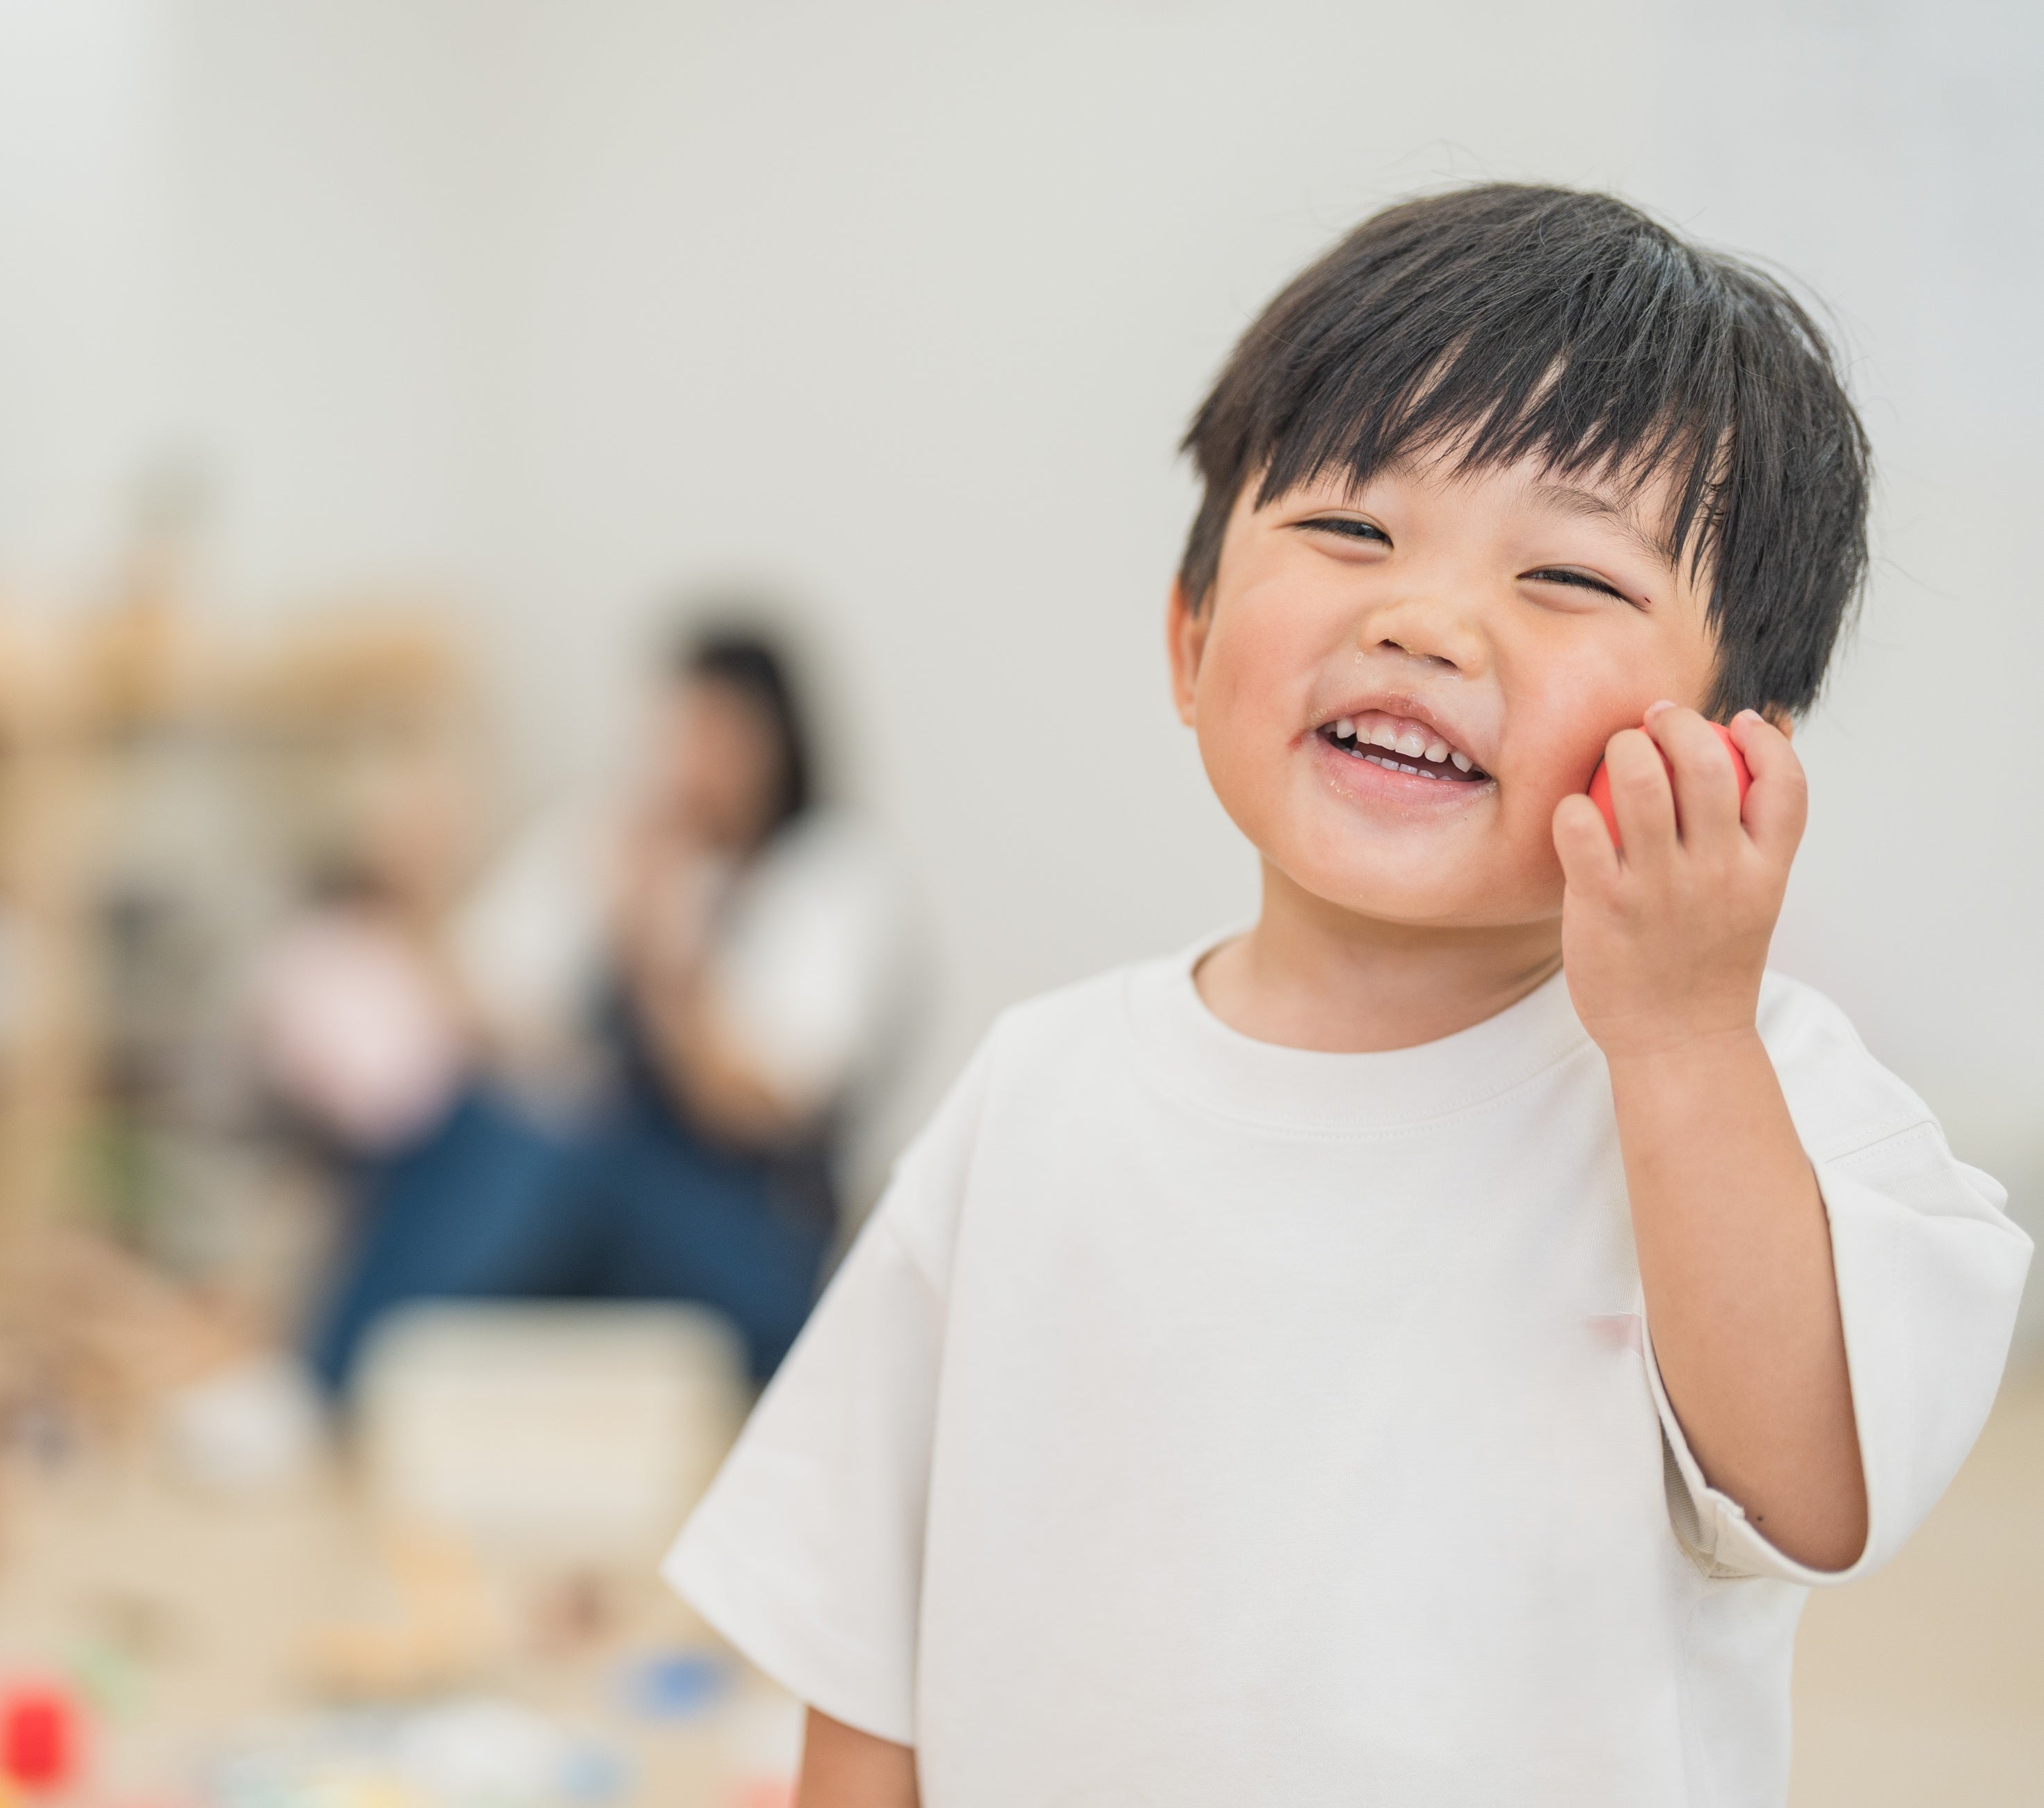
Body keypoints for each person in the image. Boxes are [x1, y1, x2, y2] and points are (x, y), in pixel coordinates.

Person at [660, 186, 2031, 1807]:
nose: (1424, 620)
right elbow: (863, 1644)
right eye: (1350, 531)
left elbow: (1809, 1488)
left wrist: (1679, 1034)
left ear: (1731, 753)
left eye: (1568, 576)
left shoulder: (1752, 1084)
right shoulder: (1035, 1094)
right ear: (1190, 635)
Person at [301, 622, 912, 1391]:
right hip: (599, 1210)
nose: (691, 761)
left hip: (749, 1237)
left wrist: (661, 958)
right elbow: (479, 1008)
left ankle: (331, 1381)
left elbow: (752, 1105)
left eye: (719, 736)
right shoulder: (614, 838)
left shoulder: (829, 878)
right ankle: (333, 1372)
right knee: (470, 1122)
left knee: (561, 1149)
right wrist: (419, 892)